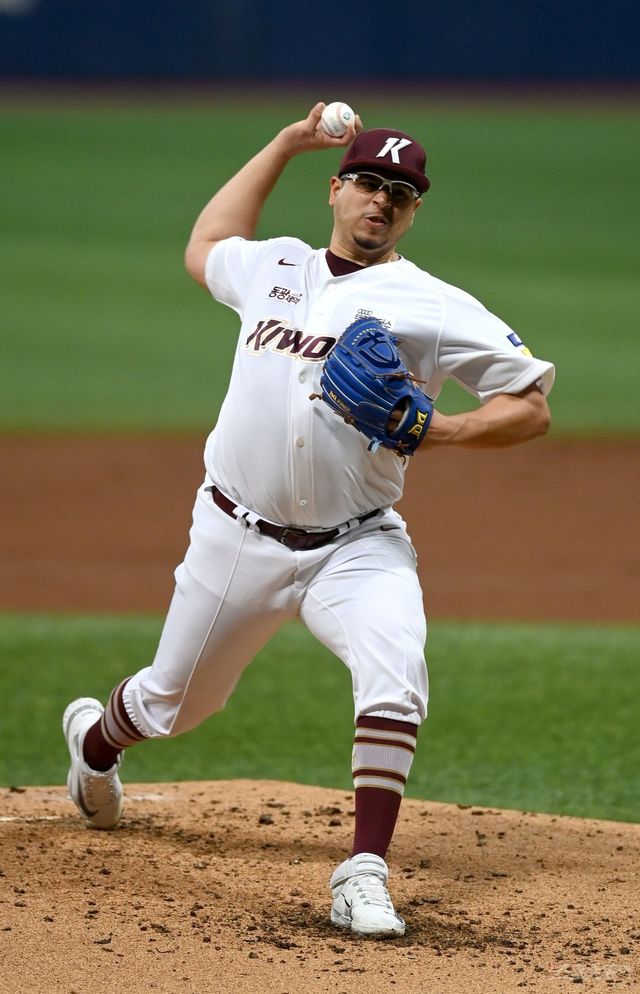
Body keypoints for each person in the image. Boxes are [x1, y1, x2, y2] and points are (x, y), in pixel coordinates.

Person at [62, 102, 554, 938]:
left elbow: (531, 405)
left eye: (400, 193)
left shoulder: (431, 304)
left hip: (356, 544)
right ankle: (94, 746)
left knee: (396, 669)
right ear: (335, 189)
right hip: (235, 535)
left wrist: (445, 430)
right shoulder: (275, 266)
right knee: (172, 705)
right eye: (368, 182)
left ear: (414, 211)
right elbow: (205, 244)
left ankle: (363, 872)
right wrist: (286, 141)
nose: (381, 200)